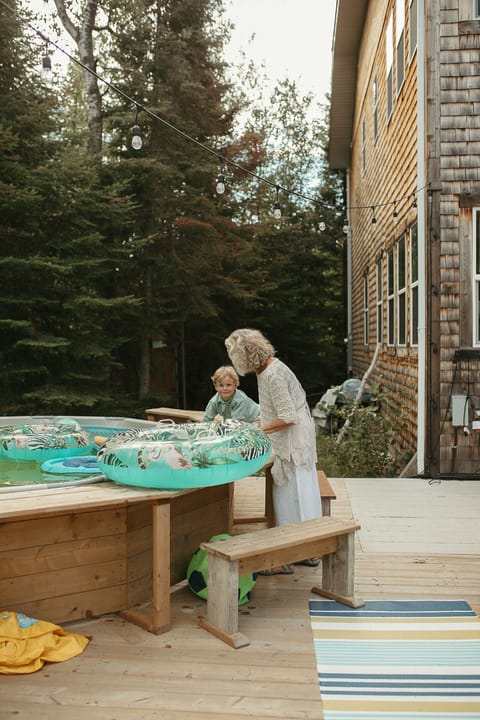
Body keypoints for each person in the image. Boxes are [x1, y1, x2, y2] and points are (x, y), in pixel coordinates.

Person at [225, 328, 322, 574]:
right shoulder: (269, 369)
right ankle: (305, 552)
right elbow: (272, 409)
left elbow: (287, 416)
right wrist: (257, 424)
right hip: (293, 437)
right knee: (295, 494)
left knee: (293, 496)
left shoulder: (273, 375)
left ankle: (289, 556)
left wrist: (258, 431)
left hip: (294, 440)